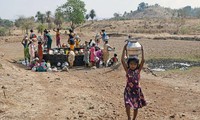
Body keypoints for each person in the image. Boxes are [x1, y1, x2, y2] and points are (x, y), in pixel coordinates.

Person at [121, 44, 146, 120]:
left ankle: (134, 119)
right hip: (128, 90)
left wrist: (142, 49)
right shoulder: (127, 70)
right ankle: (129, 118)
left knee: (136, 107)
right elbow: (122, 60)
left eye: (134, 64)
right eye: (131, 64)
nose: (132, 66)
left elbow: (143, 60)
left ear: (137, 65)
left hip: (136, 91)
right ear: (128, 64)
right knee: (127, 105)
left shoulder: (138, 71)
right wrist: (124, 49)